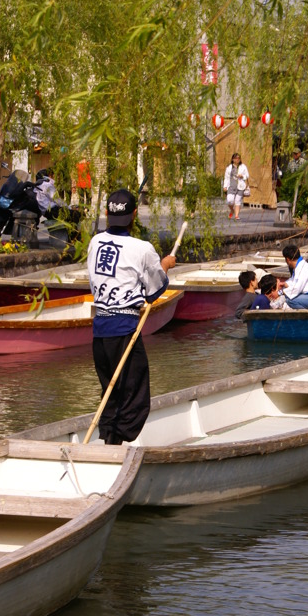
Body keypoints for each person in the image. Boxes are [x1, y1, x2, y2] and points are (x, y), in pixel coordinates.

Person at [87, 188, 177, 445]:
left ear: (106, 213)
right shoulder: (142, 248)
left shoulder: (95, 242)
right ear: (134, 215)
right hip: (124, 328)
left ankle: (108, 439)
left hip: (100, 329)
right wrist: (165, 266)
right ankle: (116, 444)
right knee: (136, 394)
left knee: (111, 391)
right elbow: (154, 291)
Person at [222, 152, 250, 220]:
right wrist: (225, 186)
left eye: (238, 158)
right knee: (229, 200)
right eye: (236, 158)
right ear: (233, 159)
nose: (237, 159)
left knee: (238, 201)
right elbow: (226, 177)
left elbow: (247, 175)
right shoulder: (229, 168)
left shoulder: (243, 166)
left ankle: (236, 215)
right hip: (231, 186)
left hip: (240, 186)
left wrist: (242, 176)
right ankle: (232, 210)